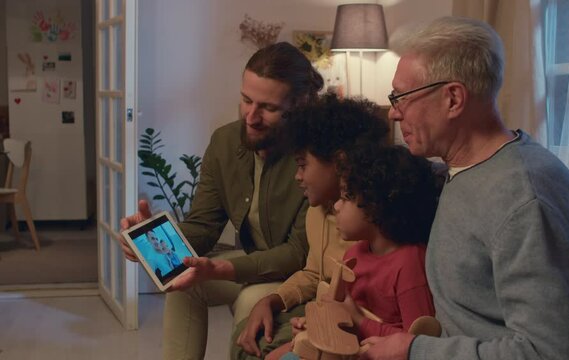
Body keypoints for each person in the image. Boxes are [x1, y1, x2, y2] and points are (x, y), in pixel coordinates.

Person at [360, 16, 569, 360]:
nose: (393, 113)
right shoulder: (466, 169)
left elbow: (552, 352)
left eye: (401, 96)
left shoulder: (523, 197)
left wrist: (416, 351)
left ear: (453, 99)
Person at [118, 42, 324, 360]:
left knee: (249, 300)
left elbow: (298, 253)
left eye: (267, 108)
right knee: (185, 284)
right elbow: (203, 225)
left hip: (295, 276)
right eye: (245, 100)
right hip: (253, 259)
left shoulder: (314, 156)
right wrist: (152, 240)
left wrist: (222, 268)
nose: (251, 117)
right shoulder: (225, 141)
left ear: (298, 106)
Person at [231, 94, 390, 359]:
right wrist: (272, 300)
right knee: (244, 335)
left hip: (351, 328)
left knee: (264, 349)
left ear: (340, 164)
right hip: (320, 312)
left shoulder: (369, 226)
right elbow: (314, 273)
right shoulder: (316, 212)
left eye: (303, 165)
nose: (298, 176)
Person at [271, 144, 439, 359]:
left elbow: (418, 343)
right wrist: (317, 326)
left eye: (347, 197)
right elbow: (341, 317)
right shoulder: (355, 255)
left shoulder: (410, 262)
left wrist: (359, 320)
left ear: (377, 205)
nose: (337, 206)